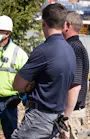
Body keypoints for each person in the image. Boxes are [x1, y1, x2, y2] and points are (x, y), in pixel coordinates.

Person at [11, 3, 76, 139]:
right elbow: (72, 86)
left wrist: (30, 84)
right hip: (56, 117)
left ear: (43, 23)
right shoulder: (70, 50)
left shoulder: (44, 51)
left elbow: (17, 85)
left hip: (38, 119)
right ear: (64, 25)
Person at [61, 11, 89, 139]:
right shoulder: (77, 46)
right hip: (72, 111)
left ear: (68, 25)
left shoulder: (73, 48)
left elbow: (74, 85)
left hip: (71, 113)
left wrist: (65, 117)